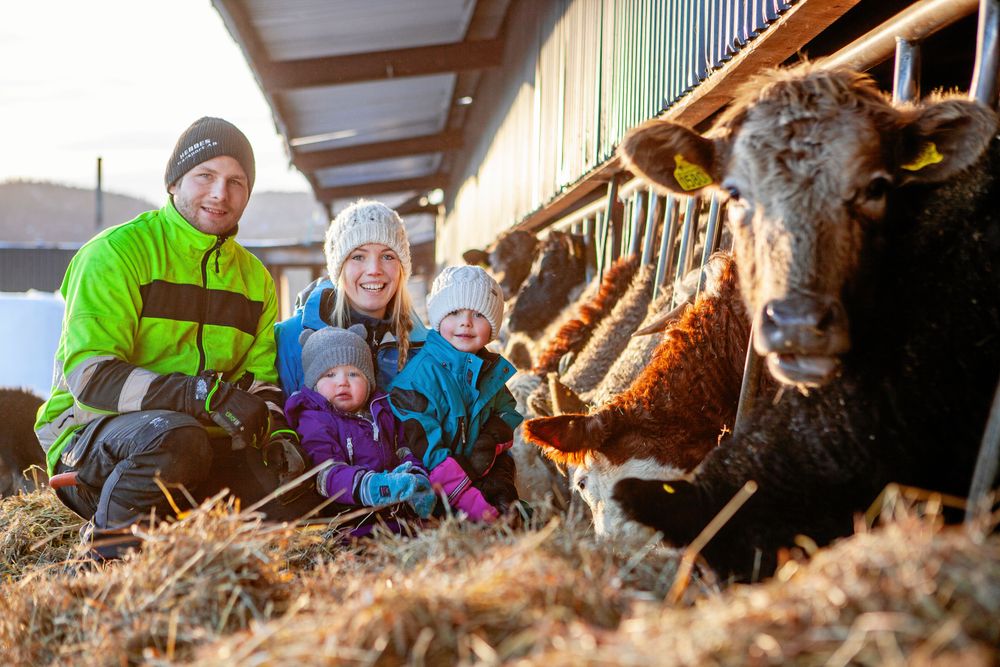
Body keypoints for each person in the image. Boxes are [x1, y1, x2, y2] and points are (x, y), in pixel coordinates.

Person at [34, 117, 303, 559]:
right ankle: (101, 565)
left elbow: (260, 380)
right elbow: (90, 376)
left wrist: (278, 435)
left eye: (236, 182)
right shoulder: (116, 253)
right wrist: (198, 395)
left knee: (290, 495)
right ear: (174, 182)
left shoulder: (254, 279)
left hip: (198, 448)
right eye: (205, 176)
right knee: (176, 438)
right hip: (92, 443)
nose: (220, 193)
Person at [388, 266, 523, 522]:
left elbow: (507, 411)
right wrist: (478, 508)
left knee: (513, 494)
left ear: (493, 327)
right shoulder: (418, 380)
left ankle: (508, 514)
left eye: (478, 314)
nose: (466, 322)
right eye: (454, 312)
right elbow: (430, 455)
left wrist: (490, 441)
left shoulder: (488, 370)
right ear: (438, 319)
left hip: (481, 472)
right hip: (436, 488)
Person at [284, 325, 436, 535]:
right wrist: (372, 486)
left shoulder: (382, 410)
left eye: (353, 374)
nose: (342, 382)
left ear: (369, 380)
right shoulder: (314, 419)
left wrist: (415, 475)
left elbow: (403, 448)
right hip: (348, 522)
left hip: (392, 517)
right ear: (314, 384)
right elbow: (326, 473)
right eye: (330, 374)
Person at [275, 199, 429, 396]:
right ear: (339, 269)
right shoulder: (288, 339)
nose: (374, 270)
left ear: (401, 268)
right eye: (358, 257)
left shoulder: (427, 350)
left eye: (387, 256)